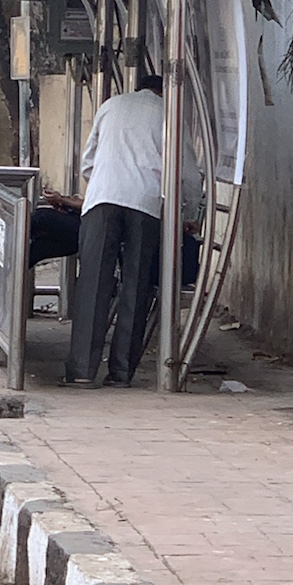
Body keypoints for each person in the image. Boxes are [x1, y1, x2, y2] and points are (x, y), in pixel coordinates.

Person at [62, 74, 200, 388]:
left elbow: (88, 163)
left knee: (93, 283)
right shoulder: (169, 114)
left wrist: (108, 180)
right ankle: (121, 372)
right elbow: (189, 174)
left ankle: (81, 370)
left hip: (103, 199)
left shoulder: (111, 105)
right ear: (163, 92)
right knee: (136, 286)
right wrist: (189, 215)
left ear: (138, 88)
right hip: (145, 203)